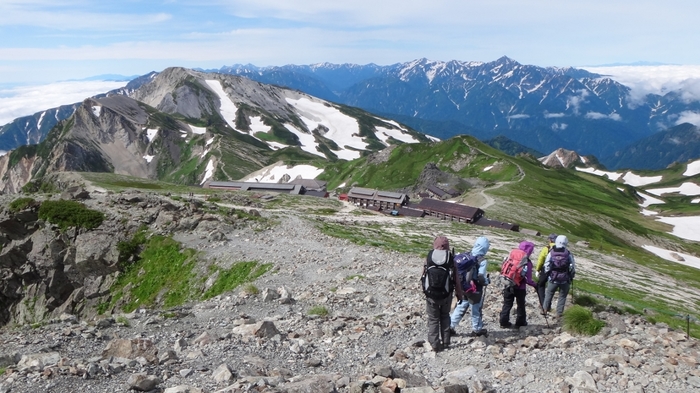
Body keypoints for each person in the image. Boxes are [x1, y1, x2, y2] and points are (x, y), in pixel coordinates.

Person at [423, 236, 463, 352]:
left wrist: (424, 290)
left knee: (433, 318)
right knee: (445, 316)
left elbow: (424, 275)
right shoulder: (451, 258)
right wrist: (459, 295)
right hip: (446, 294)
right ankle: (446, 342)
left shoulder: (429, 257)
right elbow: (456, 280)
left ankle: (435, 343)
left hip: (431, 294)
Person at [448, 236, 490, 337]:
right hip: (475, 289)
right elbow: (481, 276)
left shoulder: (468, 255)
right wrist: (487, 281)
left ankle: (450, 326)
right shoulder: (482, 260)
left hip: (463, 287)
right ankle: (477, 329)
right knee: (475, 309)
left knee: (461, 306)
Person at [499, 241, 537, 328]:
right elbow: (528, 280)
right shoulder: (527, 262)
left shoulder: (511, 256)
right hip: (520, 287)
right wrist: (535, 285)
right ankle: (520, 322)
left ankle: (503, 322)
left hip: (508, 283)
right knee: (521, 304)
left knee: (507, 304)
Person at [543, 235, 576, 318]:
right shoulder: (568, 253)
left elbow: (546, 264)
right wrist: (571, 275)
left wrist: (547, 273)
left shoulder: (551, 252)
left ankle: (545, 310)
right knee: (562, 296)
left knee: (549, 294)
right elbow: (572, 266)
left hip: (553, 278)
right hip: (565, 279)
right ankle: (559, 313)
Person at [535, 233, 557, 310]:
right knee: (551, 288)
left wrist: (538, 269)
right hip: (557, 271)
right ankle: (548, 305)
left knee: (541, 285)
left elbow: (541, 260)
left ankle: (543, 304)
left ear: (550, 240)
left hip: (546, 269)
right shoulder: (562, 249)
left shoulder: (546, 248)